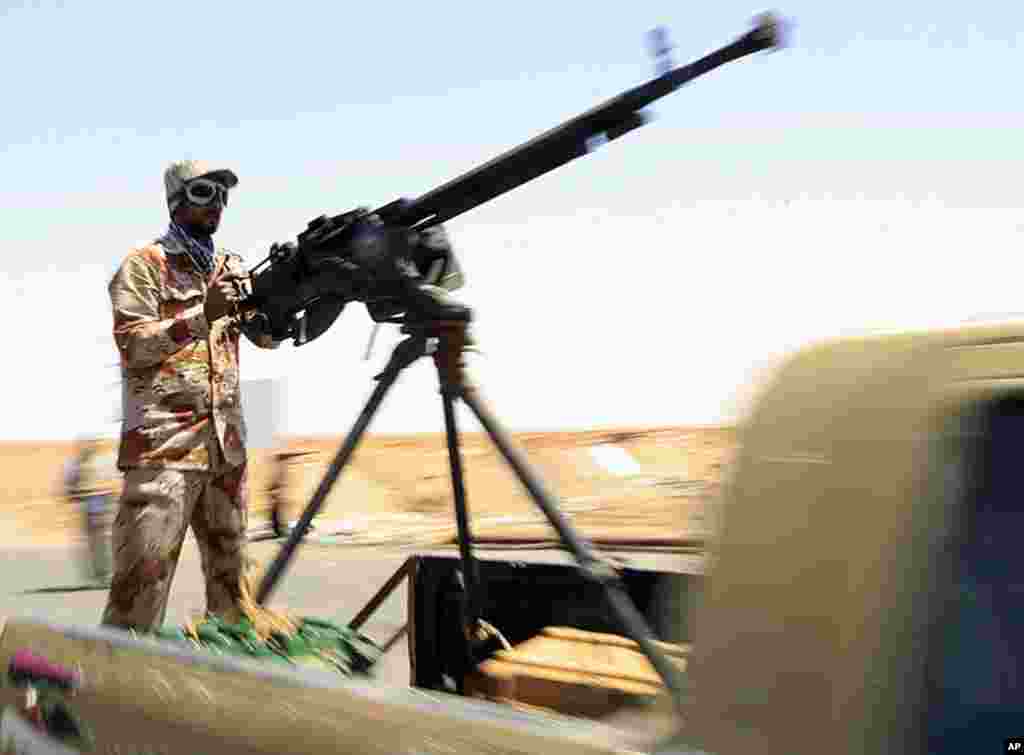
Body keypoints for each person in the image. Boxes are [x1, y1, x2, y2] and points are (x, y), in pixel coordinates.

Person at [101, 160, 283, 633]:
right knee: (141, 586)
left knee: (233, 589)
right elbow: (135, 345)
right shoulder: (144, 265)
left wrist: (296, 300)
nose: (217, 204)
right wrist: (204, 313)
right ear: (177, 199)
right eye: (205, 192)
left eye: (224, 195)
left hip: (226, 451)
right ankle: (117, 691)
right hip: (165, 451)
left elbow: (264, 337)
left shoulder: (231, 266)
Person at [61, 437, 115, 585]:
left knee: (103, 541)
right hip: (90, 506)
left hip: (101, 504)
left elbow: (112, 484)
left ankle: (105, 573)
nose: (89, 448)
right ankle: (100, 574)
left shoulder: (104, 462)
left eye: (92, 444)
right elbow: (68, 487)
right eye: (87, 445)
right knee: (95, 542)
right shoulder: (74, 464)